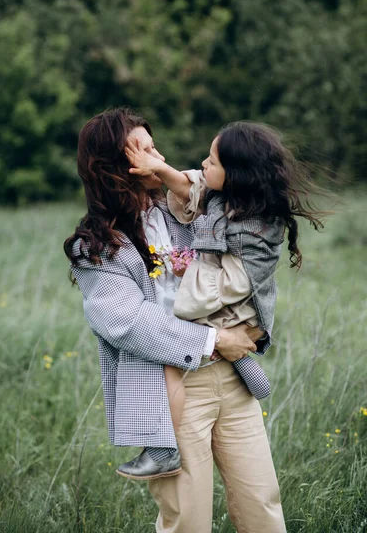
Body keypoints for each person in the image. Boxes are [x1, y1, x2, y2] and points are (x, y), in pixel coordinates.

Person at [64, 108, 296, 533]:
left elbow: (226, 189)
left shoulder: (186, 206)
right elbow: (128, 322)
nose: (158, 156)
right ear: (114, 167)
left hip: (232, 379)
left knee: (261, 505)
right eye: (145, 150)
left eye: (155, 146)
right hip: (172, 389)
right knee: (188, 520)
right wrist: (213, 340)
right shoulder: (94, 248)